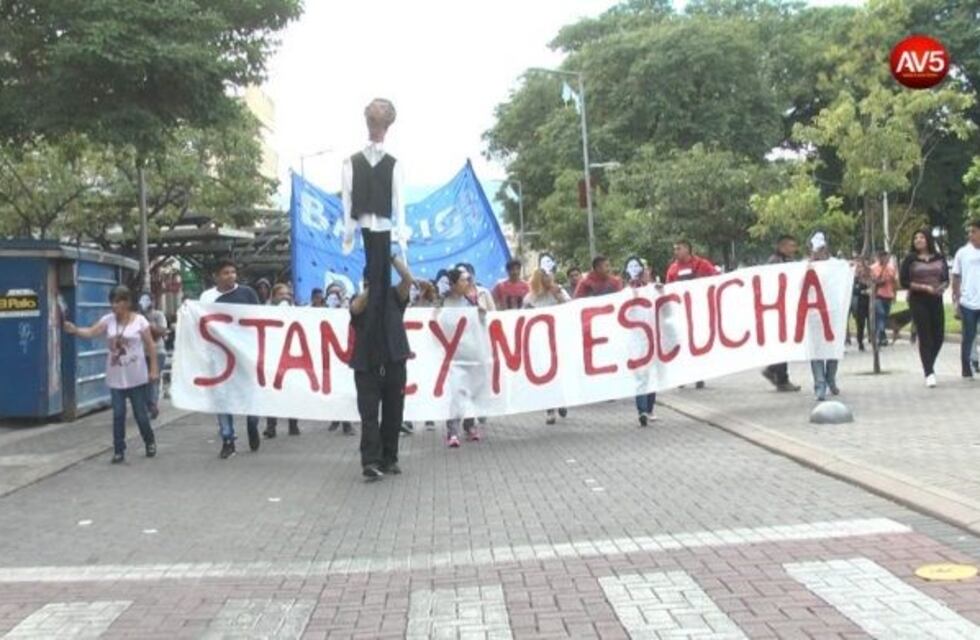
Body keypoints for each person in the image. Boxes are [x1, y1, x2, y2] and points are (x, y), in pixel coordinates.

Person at [341, 98, 407, 380]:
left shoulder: (394, 163)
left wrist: (400, 240)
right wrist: (349, 233)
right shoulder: (351, 161)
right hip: (364, 227)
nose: (374, 112)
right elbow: (346, 198)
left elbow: (399, 202)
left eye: (380, 109)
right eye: (372, 109)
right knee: (372, 282)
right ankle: (370, 344)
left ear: (388, 120)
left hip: (383, 228)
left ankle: (383, 343)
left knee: (381, 282)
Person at [64, 286, 159, 464]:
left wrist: (154, 369)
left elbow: (151, 346)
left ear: (127, 303)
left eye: (118, 302)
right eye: (112, 302)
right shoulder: (108, 320)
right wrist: (75, 330)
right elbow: (92, 332)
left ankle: (149, 441)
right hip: (116, 376)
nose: (114, 306)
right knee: (118, 414)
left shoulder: (139, 321)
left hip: (136, 376)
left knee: (140, 414)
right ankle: (119, 450)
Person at [349, 254, 414, 480]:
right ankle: (370, 461)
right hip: (367, 367)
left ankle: (390, 458)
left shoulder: (395, 297)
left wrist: (391, 257)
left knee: (393, 414)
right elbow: (356, 308)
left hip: (395, 363)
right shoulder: (360, 300)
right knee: (369, 416)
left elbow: (407, 280)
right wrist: (374, 286)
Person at [201, 259, 262, 459]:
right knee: (222, 397)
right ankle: (228, 439)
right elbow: (203, 324)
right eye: (226, 272)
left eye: (233, 272)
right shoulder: (207, 297)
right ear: (216, 276)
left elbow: (259, 320)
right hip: (219, 357)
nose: (230, 276)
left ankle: (252, 424)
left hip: (245, 355)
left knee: (249, 393)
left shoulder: (247, 293)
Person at [440, 266, 490, 447]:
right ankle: (452, 429)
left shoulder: (470, 301)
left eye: (469, 279)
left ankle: (470, 425)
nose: (467, 283)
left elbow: (481, 323)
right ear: (453, 283)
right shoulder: (443, 302)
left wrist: (481, 313)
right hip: (453, 356)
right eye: (463, 280)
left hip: (472, 354)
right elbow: (435, 323)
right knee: (456, 392)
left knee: (471, 391)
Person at [900, 229, 949, 387]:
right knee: (925, 335)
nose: (918, 240)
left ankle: (929, 364)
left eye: (921, 237)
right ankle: (929, 372)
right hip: (918, 300)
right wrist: (923, 287)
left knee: (939, 336)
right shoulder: (910, 259)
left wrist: (941, 287)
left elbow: (945, 278)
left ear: (928, 239)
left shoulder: (939, 257)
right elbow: (904, 281)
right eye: (915, 238)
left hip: (936, 298)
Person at [665, 241, 715, 388]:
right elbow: (669, 289)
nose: (676, 252)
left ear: (687, 249)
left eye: (678, 249)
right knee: (682, 344)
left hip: (699, 311)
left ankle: (699, 375)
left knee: (698, 343)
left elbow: (716, 280)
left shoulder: (702, 264)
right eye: (674, 249)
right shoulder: (673, 269)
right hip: (680, 313)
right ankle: (682, 376)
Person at [523, 267, 571, 424]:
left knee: (560, 373)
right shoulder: (530, 299)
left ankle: (562, 400)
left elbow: (571, 308)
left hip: (559, 339)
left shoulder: (558, 292)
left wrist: (558, 295)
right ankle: (550, 409)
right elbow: (521, 318)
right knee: (546, 375)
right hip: (540, 343)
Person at [762, 235, 802, 393]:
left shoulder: (789, 262)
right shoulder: (775, 262)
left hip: (785, 308)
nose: (794, 249)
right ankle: (781, 378)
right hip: (777, 309)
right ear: (782, 247)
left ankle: (774, 371)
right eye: (791, 246)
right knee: (783, 344)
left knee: (785, 344)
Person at [263, 284, 301, 437]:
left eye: (287, 294)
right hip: (272, 358)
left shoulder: (296, 311)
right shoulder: (265, 311)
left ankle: (293, 425)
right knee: (272, 393)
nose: (285, 297)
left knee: (291, 392)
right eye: (281, 294)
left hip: (290, 358)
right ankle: (271, 426)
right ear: (273, 296)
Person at [624, 257, 658, 426]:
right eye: (640, 268)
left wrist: (662, 291)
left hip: (652, 338)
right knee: (641, 376)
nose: (643, 271)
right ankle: (642, 410)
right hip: (635, 339)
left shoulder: (653, 288)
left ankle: (650, 408)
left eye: (645, 268)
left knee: (651, 375)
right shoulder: (626, 290)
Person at [806, 233, 839, 402]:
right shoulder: (807, 266)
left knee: (833, 349)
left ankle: (830, 379)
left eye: (821, 248)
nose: (819, 252)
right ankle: (820, 385)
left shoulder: (835, 265)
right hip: (814, 314)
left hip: (833, 312)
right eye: (816, 249)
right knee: (817, 350)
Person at [322, 283, 356, 436]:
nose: (333, 298)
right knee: (334, 392)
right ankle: (336, 419)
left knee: (344, 391)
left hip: (344, 358)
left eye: (337, 295)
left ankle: (346, 423)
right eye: (331, 294)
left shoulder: (346, 312)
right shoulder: (321, 312)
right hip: (328, 358)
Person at [952, 220, 980, 379]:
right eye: (969, 232)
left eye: (974, 231)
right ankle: (966, 367)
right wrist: (956, 299)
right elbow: (956, 276)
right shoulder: (962, 253)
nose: (971, 235)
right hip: (968, 303)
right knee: (968, 337)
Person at [138, 292, 169, 418]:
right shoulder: (137, 316)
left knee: (153, 379)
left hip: (157, 352)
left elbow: (161, 332)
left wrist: (148, 324)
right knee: (143, 380)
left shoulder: (158, 315)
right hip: (141, 353)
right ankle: (147, 405)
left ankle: (152, 405)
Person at [870, 250, 898, 347]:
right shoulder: (873, 268)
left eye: (885, 257)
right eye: (881, 256)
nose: (883, 259)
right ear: (878, 257)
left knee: (884, 316)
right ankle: (881, 334)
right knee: (880, 314)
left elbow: (894, 283)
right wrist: (878, 281)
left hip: (888, 296)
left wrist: (895, 295)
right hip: (877, 295)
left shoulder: (891, 268)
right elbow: (871, 281)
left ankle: (882, 335)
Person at [850, 256, 872, 352]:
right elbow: (853, 290)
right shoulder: (854, 279)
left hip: (869, 302)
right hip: (859, 303)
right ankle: (860, 342)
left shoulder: (869, 277)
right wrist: (863, 292)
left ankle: (873, 339)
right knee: (860, 324)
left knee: (871, 323)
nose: (861, 270)